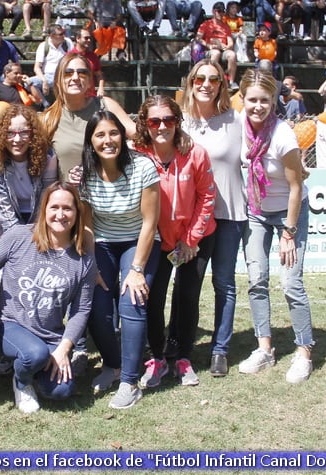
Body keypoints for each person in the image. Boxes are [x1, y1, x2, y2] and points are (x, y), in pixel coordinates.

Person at [0, 182, 96, 413]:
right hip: (9, 324)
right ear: (44, 209)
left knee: (61, 390)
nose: (60, 214)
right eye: (54, 207)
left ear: (77, 213)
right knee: (34, 355)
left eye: (68, 208)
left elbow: (81, 311)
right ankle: (22, 381)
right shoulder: (18, 237)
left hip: (49, 335)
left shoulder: (84, 260)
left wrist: (64, 348)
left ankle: (31, 366)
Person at [133, 96, 216, 389]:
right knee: (153, 300)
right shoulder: (136, 154)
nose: (162, 126)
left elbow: (207, 196)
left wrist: (191, 239)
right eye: (154, 121)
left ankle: (182, 356)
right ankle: (156, 357)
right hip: (155, 241)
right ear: (145, 123)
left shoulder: (196, 153)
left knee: (187, 296)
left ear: (178, 121)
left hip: (195, 240)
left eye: (168, 120)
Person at [237, 69, 314, 384]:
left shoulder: (283, 135)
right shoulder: (237, 126)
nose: (258, 106)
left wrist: (289, 234)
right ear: (243, 100)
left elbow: (296, 187)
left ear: (274, 101)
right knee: (257, 280)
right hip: (255, 211)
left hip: (289, 213)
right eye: (252, 100)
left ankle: (304, 351)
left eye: (264, 101)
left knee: (291, 283)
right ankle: (265, 348)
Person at [80, 110, 161, 410]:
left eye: (113, 133)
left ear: (122, 136)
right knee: (98, 305)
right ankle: (112, 366)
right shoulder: (86, 172)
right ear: (91, 141)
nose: (108, 140)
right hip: (102, 242)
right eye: (100, 135)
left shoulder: (143, 167)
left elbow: (150, 223)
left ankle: (129, 381)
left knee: (132, 300)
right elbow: (87, 224)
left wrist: (137, 269)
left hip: (139, 241)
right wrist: (93, 264)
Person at [180, 59, 248, 377]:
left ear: (222, 84)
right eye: (199, 79)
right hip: (192, 218)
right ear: (191, 83)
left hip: (229, 215)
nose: (206, 84)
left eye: (213, 79)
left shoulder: (237, 120)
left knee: (224, 283)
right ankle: (180, 345)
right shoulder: (180, 121)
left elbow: (265, 146)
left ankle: (220, 349)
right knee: (188, 283)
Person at [42, 53, 136, 177]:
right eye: (68, 73)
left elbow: (139, 135)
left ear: (89, 81)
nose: (75, 77)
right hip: (70, 194)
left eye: (82, 73)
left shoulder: (106, 106)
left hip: (110, 193)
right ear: (58, 81)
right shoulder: (48, 119)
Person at [0, 104, 58, 235]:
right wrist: (18, 237)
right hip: (9, 222)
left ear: (33, 133)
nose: (17, 139)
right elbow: (1, 202)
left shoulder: (48, 156)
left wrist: (35, 232)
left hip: (40, 220)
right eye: (10, 133)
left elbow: (47, 196)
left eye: (24, 132)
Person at [196, 2, 239, 90]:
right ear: (213, 11)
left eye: (223, 12)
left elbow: (230, 42)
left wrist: (227, 47)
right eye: (219, 11)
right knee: (216, 53)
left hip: (223, 49)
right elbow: (198, 38)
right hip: (210, 49)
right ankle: (211, 78)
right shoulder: (206, 24)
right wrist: (208, 45)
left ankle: (231, 82)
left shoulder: (226, 26)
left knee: (232, 55)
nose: (221, 14)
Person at [30, 24, 73, 106]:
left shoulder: (67, 43)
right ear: (51, 35)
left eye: (64, 33)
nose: (63, 36)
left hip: (64, 74)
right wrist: (44, 80)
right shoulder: (43, 46)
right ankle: (45, 105)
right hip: (48, 76)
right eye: (60, 34)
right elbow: (37, 67)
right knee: (28, 82)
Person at [67, 28, 106, 97]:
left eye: (90, 38)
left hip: (90, 96)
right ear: (78, 39)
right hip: (74, 96)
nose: (89, 40)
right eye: (86, 38)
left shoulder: (93, 56)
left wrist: (101, 88)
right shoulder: (69, 56)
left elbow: (99, 75)